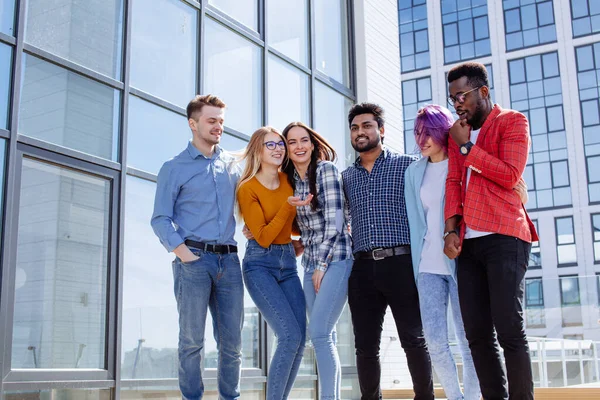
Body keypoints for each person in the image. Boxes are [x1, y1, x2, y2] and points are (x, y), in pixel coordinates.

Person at [443, 62, 538, 399]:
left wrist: (467, 147)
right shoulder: (457, 133)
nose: (457, 103)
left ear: (483, 92)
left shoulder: (512, 121)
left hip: (506, 236)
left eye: (462, 95)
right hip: (468, 244)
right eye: (452, 97)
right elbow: (454, 182)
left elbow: (510, 174)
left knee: (509, 328)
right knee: (477, 335)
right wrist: (450, 230)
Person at [151, 95, 243, 400]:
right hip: (194, 262)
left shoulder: (231, 165)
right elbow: (160, 219)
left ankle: (230, 397)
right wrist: (185, 255)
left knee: (232, 343)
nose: (218, 127)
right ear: (193, 124)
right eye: (211, 120)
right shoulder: (173, 167)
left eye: (221, 121)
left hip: (229, 263)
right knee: (191, 341)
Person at [341, 103, 434, 400]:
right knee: (365, 346)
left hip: (402, 263)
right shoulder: (346, 178)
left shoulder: (409, 165)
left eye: (367, 126)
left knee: (413, 339)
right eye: (355, 128)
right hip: (362, 269)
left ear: (381, 130)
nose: (360, 132)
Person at [281, 121, 353, 400]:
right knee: (327, 336)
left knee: (320, 333)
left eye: (303, 140)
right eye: (292, 142)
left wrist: (321, 266)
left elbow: (335, 223)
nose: (299, 146)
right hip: (310, 262)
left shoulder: (325, 171)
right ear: (287, 149)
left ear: (312, 144)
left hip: (336, 259)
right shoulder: (290, 181)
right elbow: (303, 225)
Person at [236, 126, 307, 400]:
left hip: (288, 264)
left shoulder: (289, 180)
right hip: (259, 266)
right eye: (271, 145)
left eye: (280, 144)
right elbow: (264, 237)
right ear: (258, 150)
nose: (278, 149)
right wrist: (289, 207)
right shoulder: (247, 188)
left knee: (300, 340)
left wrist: (300, 235)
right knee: (289, 335)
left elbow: (294, 227)